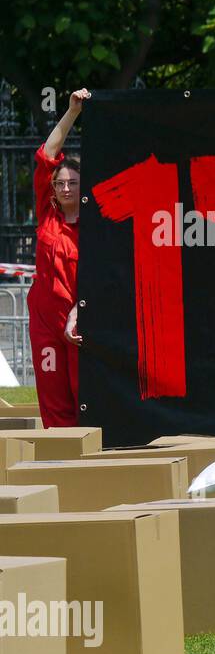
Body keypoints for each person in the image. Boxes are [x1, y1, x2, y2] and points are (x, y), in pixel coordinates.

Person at [29, 88, 91, 428]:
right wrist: (72, 113)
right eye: (60, 183)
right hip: (44, 319)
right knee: (53, 399)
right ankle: (60, 465)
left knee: (84, 394)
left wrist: (75, 312)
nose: (66, 188)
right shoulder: (47, 214)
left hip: (81, 319)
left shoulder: (95, 224)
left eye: (73, 182)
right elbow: (47, 155)